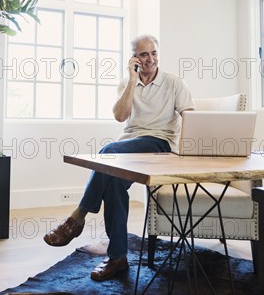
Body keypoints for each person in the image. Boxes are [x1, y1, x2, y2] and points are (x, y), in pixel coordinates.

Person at [43, 34, 195, 281]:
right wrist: (132, 81)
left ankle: (77, 217)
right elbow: (120, 116)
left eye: (154, 53)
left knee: (107, 152)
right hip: (130, 147)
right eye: (143, 55)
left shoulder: (174, 82)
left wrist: (189, 151)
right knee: (113, 182)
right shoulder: (128, 82)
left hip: (160, 145)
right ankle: (118, 258)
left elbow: (191, 117)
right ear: (134, 57)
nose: (150, 59)